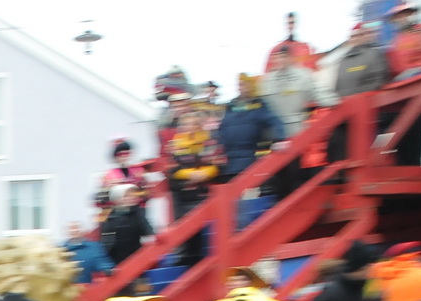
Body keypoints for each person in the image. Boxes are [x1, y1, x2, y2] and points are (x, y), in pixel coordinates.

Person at [166, 107, 223, 267]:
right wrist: (190, 174)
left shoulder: (209, 142)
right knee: (185, 229)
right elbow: (171, 168)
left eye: (194, 123)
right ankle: (188, 261)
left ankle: (205, 261)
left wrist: (206, 172)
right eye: (186, 124)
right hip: (182, 194)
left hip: (204, 191)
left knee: (205, 230)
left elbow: (218, 163)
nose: (190, 127)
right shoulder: (175, 144)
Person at [217, 74, 287, 179]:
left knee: (248, 182)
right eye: (239, 85)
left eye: (244, 84)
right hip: (230, 156)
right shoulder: (231, 105)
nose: (241, 87)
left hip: (250, 154)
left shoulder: (259, 105)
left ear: (251, 86)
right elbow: (223, 127)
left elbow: (274, 121)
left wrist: (280, 139)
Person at [99, 186, 153, 266]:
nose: (132, 197)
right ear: (117, 199)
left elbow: (147, 231)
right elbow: (107, 243)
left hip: (136, 256)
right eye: (127, 196)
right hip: (116, 260)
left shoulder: (137, 213)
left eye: (133, 195)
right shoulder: (109, 217)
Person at [335, 22, 390, 98]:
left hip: (366, 99)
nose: (355, 39)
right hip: (345, 101)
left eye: (359, 35)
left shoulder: (374, 54)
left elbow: (378, 80)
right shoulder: (342, 58)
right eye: (352, 36)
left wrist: (356, 96)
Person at [388, 0, 421, 80]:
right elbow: (395, 66)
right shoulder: (395, 41)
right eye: (398, 17)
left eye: (405, 15)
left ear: (412, 15)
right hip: (406, 80)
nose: (401, 19)